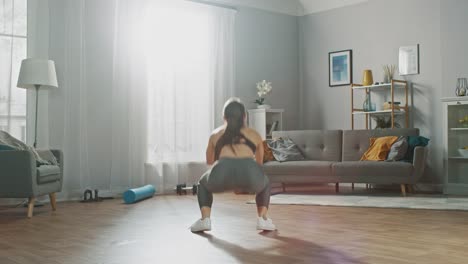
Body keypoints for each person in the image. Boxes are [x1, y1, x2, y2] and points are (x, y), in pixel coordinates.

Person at [190, 97, 276, 232]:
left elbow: (210, 161)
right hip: (249, 173)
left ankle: (205, 220)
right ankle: (262, 219)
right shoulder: (254, 134)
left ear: (224, 116)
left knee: (203, 183)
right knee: (265, 183)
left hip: (222, 173)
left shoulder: (215, 134)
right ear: (244, 116)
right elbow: (259, 164)